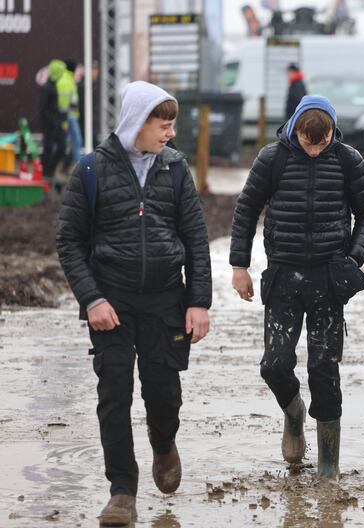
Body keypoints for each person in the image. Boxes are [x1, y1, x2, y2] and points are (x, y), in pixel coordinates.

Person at [56, 81, 212, 526]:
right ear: (137, 123)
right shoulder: (90, 170)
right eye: (162, 126)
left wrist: (198, 302)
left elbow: (196, 241)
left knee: (164, 392)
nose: (169, 134)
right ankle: (122, 492)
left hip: (166, 299)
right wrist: (92, 299)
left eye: (171, 126)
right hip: (113, 301)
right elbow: (69, 242)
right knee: (114, 394)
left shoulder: (176, 170)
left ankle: (163, 443)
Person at [230, 96, 364, 479]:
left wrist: (353, 258)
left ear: (332, 130)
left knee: (324, 369)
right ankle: (294, 410)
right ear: (295, 129)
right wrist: (239, 266)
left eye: (322, 141)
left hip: (329, 278)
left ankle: (329, 467)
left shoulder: (348, 160)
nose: (314, 150)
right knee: (274, 365)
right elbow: (246, 210)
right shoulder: (272, 158)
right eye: (307, 142)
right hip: (283, 275)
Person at [39, 59, 67, 182]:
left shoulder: (53, 86)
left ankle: (49, 171)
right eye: (60, 72)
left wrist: (60, 117)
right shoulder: (47, 88)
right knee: (48, 148)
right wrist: (54, 120)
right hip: (49, 125)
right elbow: (44, 108)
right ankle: (46, 173)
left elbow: (52, 107)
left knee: (60, 147)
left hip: (55, 124)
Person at [57, 59, 82, 167]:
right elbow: (64, 103)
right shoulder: (66, 81)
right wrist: (64, 122)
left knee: (63, 143)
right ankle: (79, 167)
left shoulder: (68, 79)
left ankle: (59, 165)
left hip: (70, 117)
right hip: (69, 118)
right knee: (76, 142)